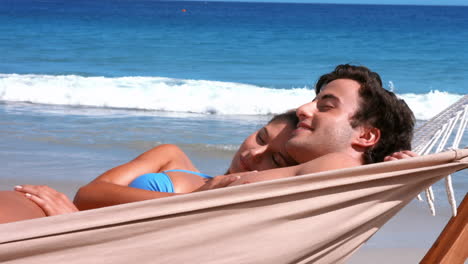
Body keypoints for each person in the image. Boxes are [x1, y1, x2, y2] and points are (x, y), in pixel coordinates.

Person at [7, 64, 416, 222]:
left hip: (66, 227)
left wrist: (391, 173)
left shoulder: (334, 173)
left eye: (325, 105)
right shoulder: (304, 174)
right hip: (62, 221)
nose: (303, 110)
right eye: (259, 138)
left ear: (365, 136)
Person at [1, 110, 299, 223]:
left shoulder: (245, 214)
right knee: (27, 198)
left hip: (84, 240)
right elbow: (88, 193)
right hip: (64, 218)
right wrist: (201, 196)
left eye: (275, 158)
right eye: (261, 136)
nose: (254, 152)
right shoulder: (173, 157)